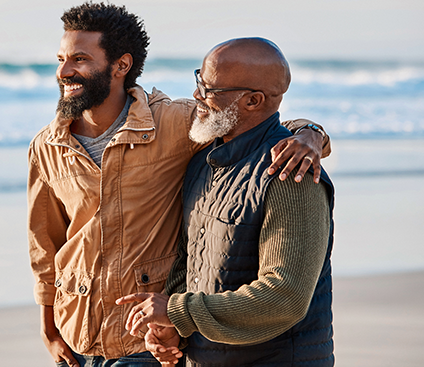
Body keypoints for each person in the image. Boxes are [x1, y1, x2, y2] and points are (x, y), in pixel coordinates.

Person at [28, 3, 330, 367]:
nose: (64, 71)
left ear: (121, 66)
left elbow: (259, 124)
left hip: (142, 342)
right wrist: (49, 330)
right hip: (79, 337)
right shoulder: (47, 146)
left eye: (79, 58)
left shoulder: (175, 124)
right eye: (61, 58)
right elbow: (45, 246)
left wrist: (311, 135)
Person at [117, 38, 335, 366]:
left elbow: (284, 298)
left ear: (252, 100)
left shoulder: (291, 174)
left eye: (209, 89)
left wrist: (177, 311)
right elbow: (190, 263)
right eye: (198, 80)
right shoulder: (203, 161)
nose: (196, 96)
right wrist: (174, 326)